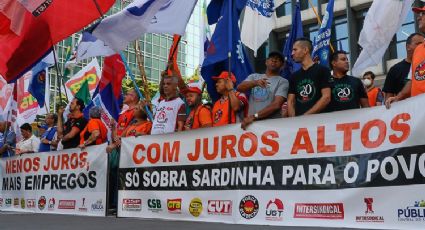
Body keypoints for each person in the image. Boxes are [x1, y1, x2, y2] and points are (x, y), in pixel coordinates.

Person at [238, 51, 289, 130]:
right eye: (271, 58)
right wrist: (255, 83)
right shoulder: (254, 76)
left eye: (278, 59)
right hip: (251, 125)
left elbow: (276, 104)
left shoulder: (283, 81)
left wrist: (254, 116)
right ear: (266, 62)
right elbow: (240, 88)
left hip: (271, 126)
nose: (274, 60)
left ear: (282, 66)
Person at [386, 6, 425, 107]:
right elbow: (412, 80)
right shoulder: (418, 50)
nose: (418, 18)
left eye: (422, 14)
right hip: (419, 113)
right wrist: (398, 97)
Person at [287, 37, 331, 116]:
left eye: (295, 50)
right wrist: (293, 121)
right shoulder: (294, 76)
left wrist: (306, 117)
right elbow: (290, 101)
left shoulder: (323, 70)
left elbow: (326, 97)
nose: (292, 53)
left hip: (320, 123)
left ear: (305, 50)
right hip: (299, 125)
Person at [383, 33, 425, 100]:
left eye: (423, 44)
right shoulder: (395, 69)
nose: (422, 46)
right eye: (419, 44)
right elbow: (388, 98)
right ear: (408, 47)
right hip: (407, 109)